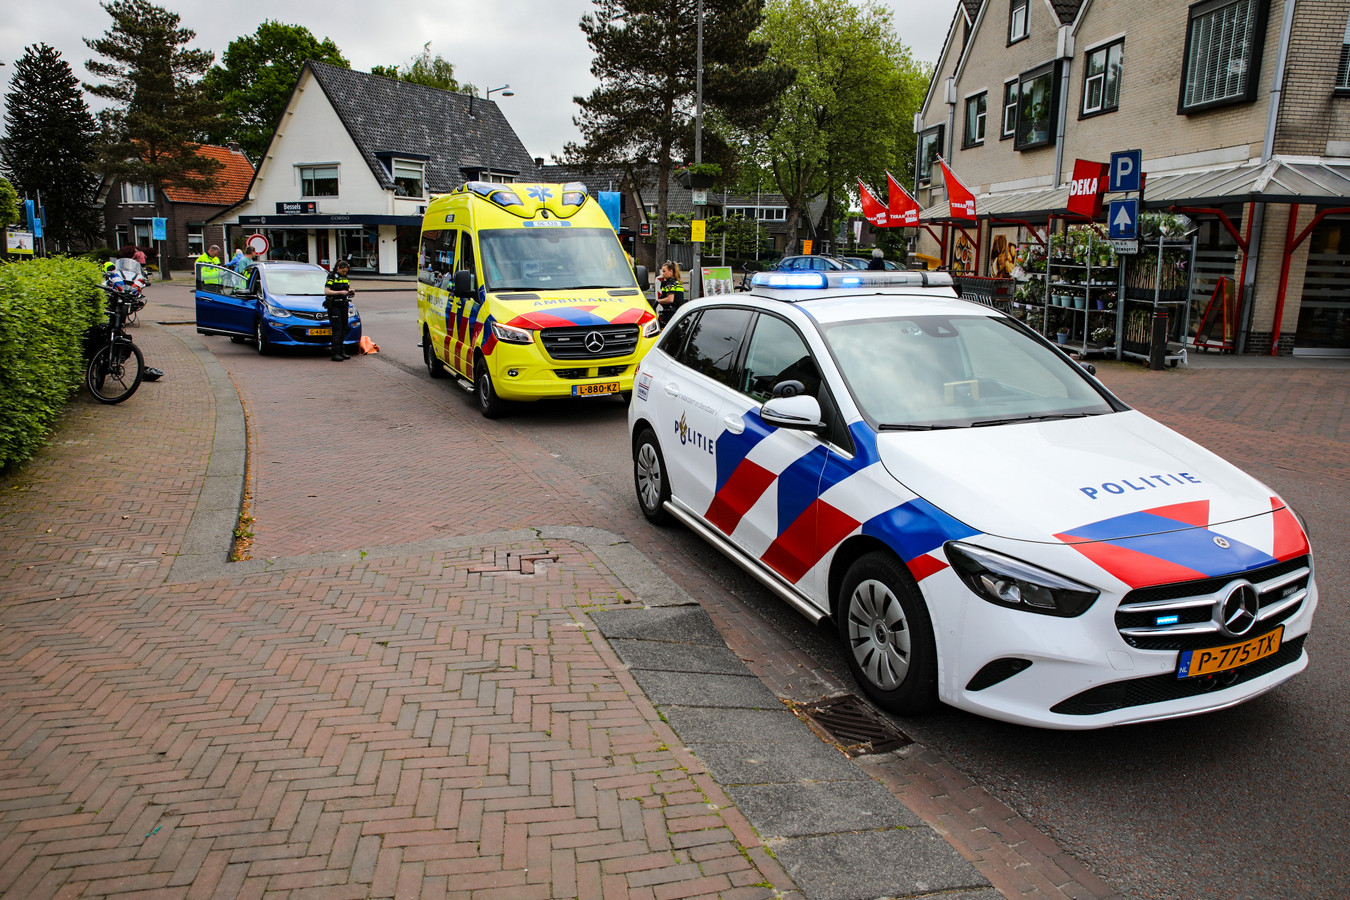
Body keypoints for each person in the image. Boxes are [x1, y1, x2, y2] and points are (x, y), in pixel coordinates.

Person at [324, 260, 355, 361]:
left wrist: (350, 292)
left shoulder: (345, 278)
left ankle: (342, 351)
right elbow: (327, 291)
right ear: (338, 268)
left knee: (344, 328)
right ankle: (335, 353)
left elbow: (347, 288)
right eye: (343, 271)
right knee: (337, 329)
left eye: (346, 271)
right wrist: (340, 292)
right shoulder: (332, 277)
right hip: (334, 305)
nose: (345, 273)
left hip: (343, 305)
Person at [655, 260, 685, 325]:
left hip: (670, 313)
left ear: (671, 271)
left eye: (664, 271)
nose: (663, 273)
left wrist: (658, 301)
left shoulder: (669, 283)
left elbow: (670, 299)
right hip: (677, 312)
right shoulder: (677, 282)